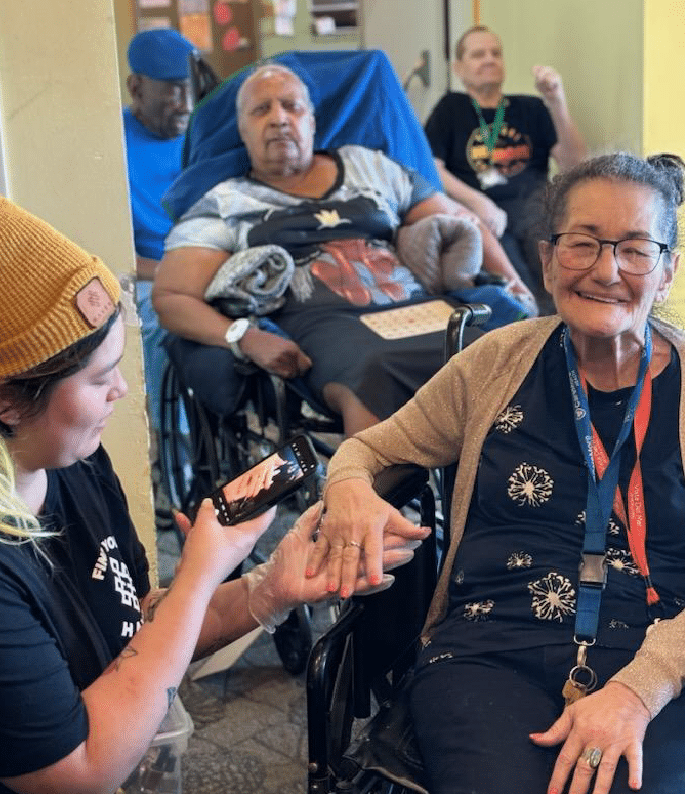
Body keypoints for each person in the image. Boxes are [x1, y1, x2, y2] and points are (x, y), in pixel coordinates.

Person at [312, 153, 685, 793]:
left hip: (668, 664)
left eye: (635, 250)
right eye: (583, 245)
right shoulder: (496, 362)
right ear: (548, 258)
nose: (607, 270)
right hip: (490, 652)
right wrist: (350, 489)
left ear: (667, 271)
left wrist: (637, 690)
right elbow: (369, 450)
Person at [0, 197, 428, 794]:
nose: (121, 390)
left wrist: (267, 589)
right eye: (99, 378)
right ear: (9, 401)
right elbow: (78, 770)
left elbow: (139, 635)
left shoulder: (75, 462)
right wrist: (202, 569)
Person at [153, 63, 537, 437]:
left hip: (420, 308)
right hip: (325, 329)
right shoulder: (226, 202)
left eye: (292, 106)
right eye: (261, 109)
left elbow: (462, 219)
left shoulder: (367, 166)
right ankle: (367, 495)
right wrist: (244, 337)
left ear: (312, 121)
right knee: (374, 369)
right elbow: (171, 297)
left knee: (508, 348)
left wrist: (516, 284)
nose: (279, 118)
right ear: (242, 128)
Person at [425, 25, 587, 313]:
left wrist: (556, 100)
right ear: (459, 68)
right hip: (482, 213)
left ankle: (568, 331)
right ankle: (533, 332)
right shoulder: (451, 108)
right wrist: (478, 202)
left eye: (495, 53)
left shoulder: (531, 108)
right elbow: (431, 167)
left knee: (557, 269)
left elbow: (574, 163)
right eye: (478, 54)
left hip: (535, 206)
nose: (489, 59)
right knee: (516, 284)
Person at [123, 28, 195, 431]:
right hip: (146, 272)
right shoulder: (111, 143)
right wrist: (168, 273)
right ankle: (180, 468)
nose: (185, 105)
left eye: (190, 90)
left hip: (206, 263)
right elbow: (108, 247)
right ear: (137, 87)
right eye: (172, 92)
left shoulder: (201, 136)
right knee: (160, 321)